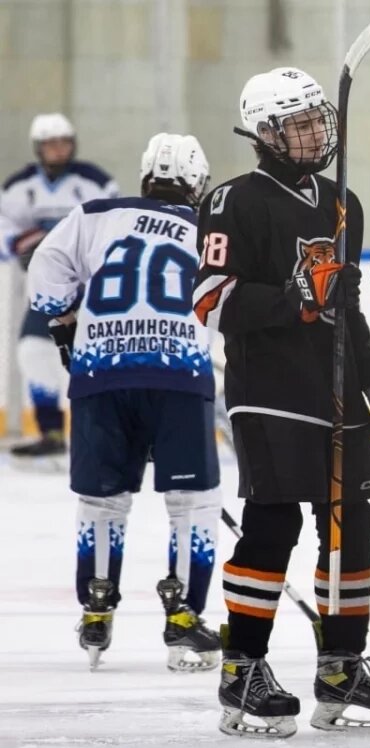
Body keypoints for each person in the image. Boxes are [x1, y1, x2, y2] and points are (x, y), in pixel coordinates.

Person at [191, 66, 370, 738]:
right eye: (296, 124)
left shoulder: (342, 200)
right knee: (274, 523)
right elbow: (212, 299)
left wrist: (369, 373)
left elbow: (348, 306)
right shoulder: (232, 201)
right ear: (264, 133)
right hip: (269, 388)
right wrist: (293, 298)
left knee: (352, 524)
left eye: (314, 120)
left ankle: (341, 667)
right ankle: (241, 668)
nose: (312, 134)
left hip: (334, 390)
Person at [26, 133, 220, 673]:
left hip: (100, 374)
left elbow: (45, 275)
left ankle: (96, 608)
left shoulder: (94, 214)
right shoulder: (207, 228)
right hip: (178, 374)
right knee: (193, 503)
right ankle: (183, 619)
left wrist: (64, 322)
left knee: (102, 502)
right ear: (197, 183)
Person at [1, 113, 118, 463]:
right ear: (39, 148)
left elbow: (114, 226)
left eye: (64, 142)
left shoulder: (94, 181)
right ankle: (51, 430)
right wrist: (20, 242)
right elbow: (4, 230)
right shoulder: (20, 185)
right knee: (33, 351)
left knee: (101, 357)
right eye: (51, 144)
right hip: (47, 288)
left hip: (91, 289)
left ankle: (108, 431)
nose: (58, 150)